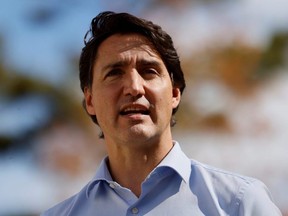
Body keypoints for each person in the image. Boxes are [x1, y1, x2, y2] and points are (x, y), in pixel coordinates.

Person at [42, 11, 282, 216]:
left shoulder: (240, 204)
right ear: (90, 100)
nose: (134, 87)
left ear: (175, 93)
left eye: (149, 71)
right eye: (114, 73)